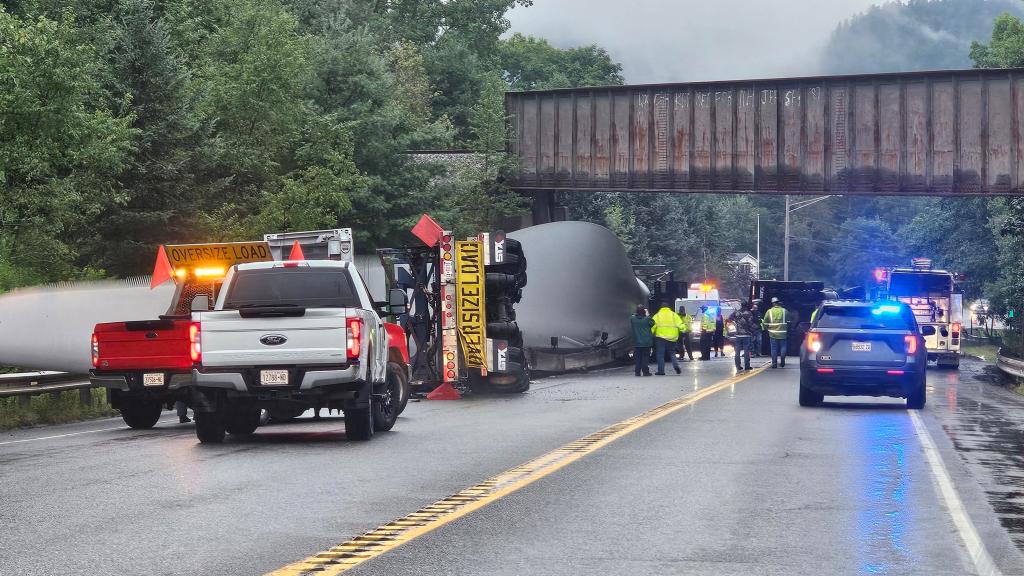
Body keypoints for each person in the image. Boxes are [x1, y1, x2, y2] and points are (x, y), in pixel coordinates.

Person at [651, 304, 685, 375]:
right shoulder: (674, 315)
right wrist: (684, 330)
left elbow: (653, 326)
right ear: (669, 308)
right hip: (672, 337)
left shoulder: (657, 315)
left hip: (660, 338)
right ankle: (676, 367)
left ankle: (661, 371)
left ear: (661, 308)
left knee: (660, 354)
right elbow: (680, 324)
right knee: (672, 353)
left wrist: (650, 333)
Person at [762, 297, 790, 368]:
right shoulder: (785, 311)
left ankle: (774, 364)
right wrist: (788, 329)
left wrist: (766, 329)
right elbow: (789, 322)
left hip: (773, 334)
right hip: (783, 333)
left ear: (773, 303)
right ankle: (782, 360)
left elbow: (765, 323)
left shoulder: (769, 311)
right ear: (778, 303)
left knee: (774, 349)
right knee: (783, 347)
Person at [729, 302, 757, 371]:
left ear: (741, 305)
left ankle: (738, 366)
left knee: (737, 351)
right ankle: (747, 366)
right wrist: (755, 329)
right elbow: (751, 324)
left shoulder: (736, 312)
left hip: (738, 335)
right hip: (746, 335)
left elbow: (730, 318)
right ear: (747, 305)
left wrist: (736, 322)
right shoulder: (749, 313)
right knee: (746, 351)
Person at [630, 305, 655, 377]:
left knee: (638, 358)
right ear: (644, 311)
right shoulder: (647, 319)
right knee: (645, 357)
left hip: (637, 342)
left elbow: (632, 317)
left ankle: (637, 372)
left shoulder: (633, 319)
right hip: (646, 342)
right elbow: (653, 323)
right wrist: (648, 315)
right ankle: (645, 372)